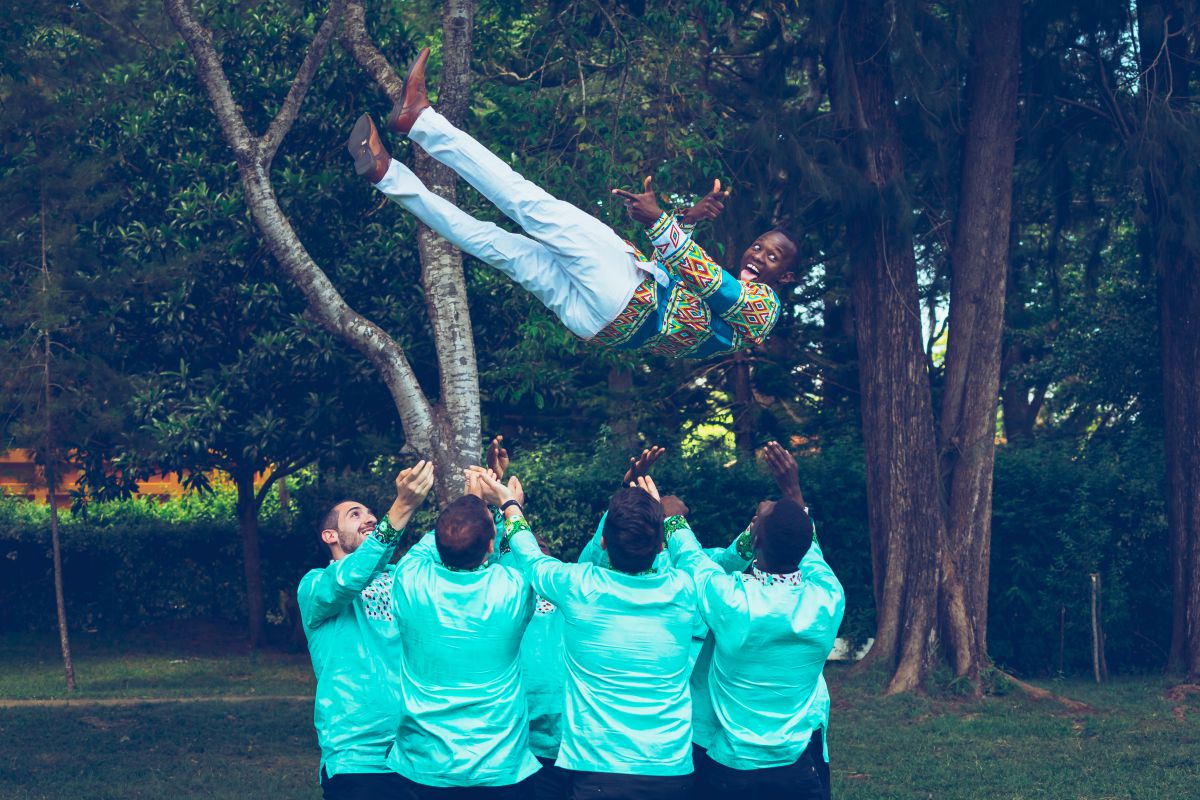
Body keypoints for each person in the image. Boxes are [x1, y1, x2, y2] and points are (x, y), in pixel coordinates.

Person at [347, 47, 800, 359]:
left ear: (786, 277)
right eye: (760, 246)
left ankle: (422, 121)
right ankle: (388, 175)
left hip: (623, 292)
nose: (759, 256)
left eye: (773, 256)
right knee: (492, 244)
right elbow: (692, 285)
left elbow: (714, 285)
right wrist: (687, 219)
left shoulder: (763, 310)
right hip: (599, 323)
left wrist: (662, 222)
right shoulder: (730, 312)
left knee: (527, 203)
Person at [473, 469, 697, 800]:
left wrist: (510, 505)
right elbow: (693, 557)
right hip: (671, 768)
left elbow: (530, 558)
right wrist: (672, 522)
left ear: (603, 542)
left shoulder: (578, 586)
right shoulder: (686, 586)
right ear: (661, 544)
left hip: (599, 772)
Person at [661, 441, 845, 800]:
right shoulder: (828, 596)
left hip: (732, 773)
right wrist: (792, 490)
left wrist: (672, 516)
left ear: (755, 538)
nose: (763, 508)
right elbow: (811, 548)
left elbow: (692, 560)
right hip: (796, 771)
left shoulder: (734, 600)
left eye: (761, 515)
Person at [385, 469, 542, 798]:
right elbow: (522, 555)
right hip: (499, 765)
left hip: (423, 765)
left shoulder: (408, 578)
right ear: (490, 546)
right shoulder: (514, 586)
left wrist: (468, 504)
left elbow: (438, 541)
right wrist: (507, 507)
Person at [298, 460, 435, 800]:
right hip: (356, 759)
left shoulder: (399, 578)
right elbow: (347, 580)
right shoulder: (314, 586)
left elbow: (450, 544)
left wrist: (484, 502)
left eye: (371, 514)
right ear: (330, 535)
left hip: (414, 753)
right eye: (355, 514)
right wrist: (401, 507)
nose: (370, 518)